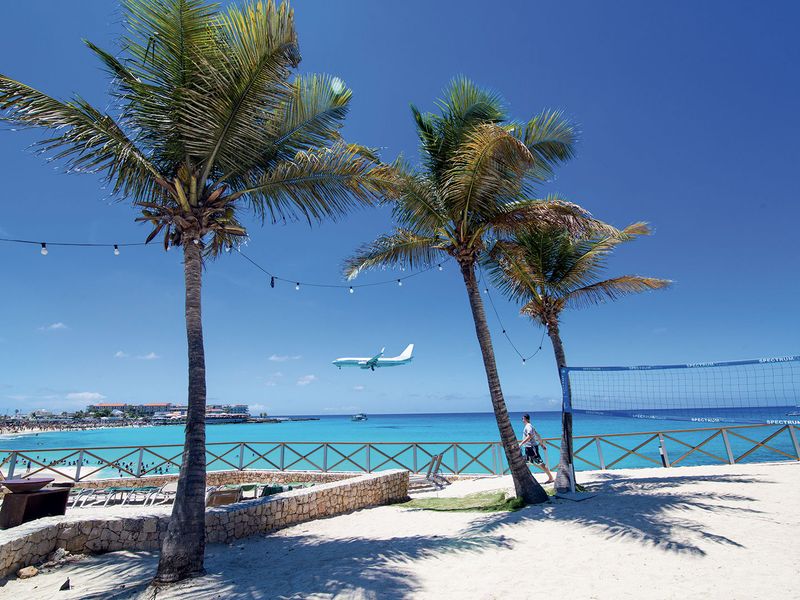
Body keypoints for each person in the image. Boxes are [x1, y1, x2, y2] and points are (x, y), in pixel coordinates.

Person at [520, 414, 554, 483]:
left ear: (525, 419)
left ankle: (550, 477)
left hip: (531, 448)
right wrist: (542, 444)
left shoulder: (528, 426)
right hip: (529, 448)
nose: (522, 420)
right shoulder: (531, 426)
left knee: (540, 463)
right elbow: (538, 435)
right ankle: (524, 479)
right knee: (527, 462)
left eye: (522, 419)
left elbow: (529, 436)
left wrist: (521, 443)